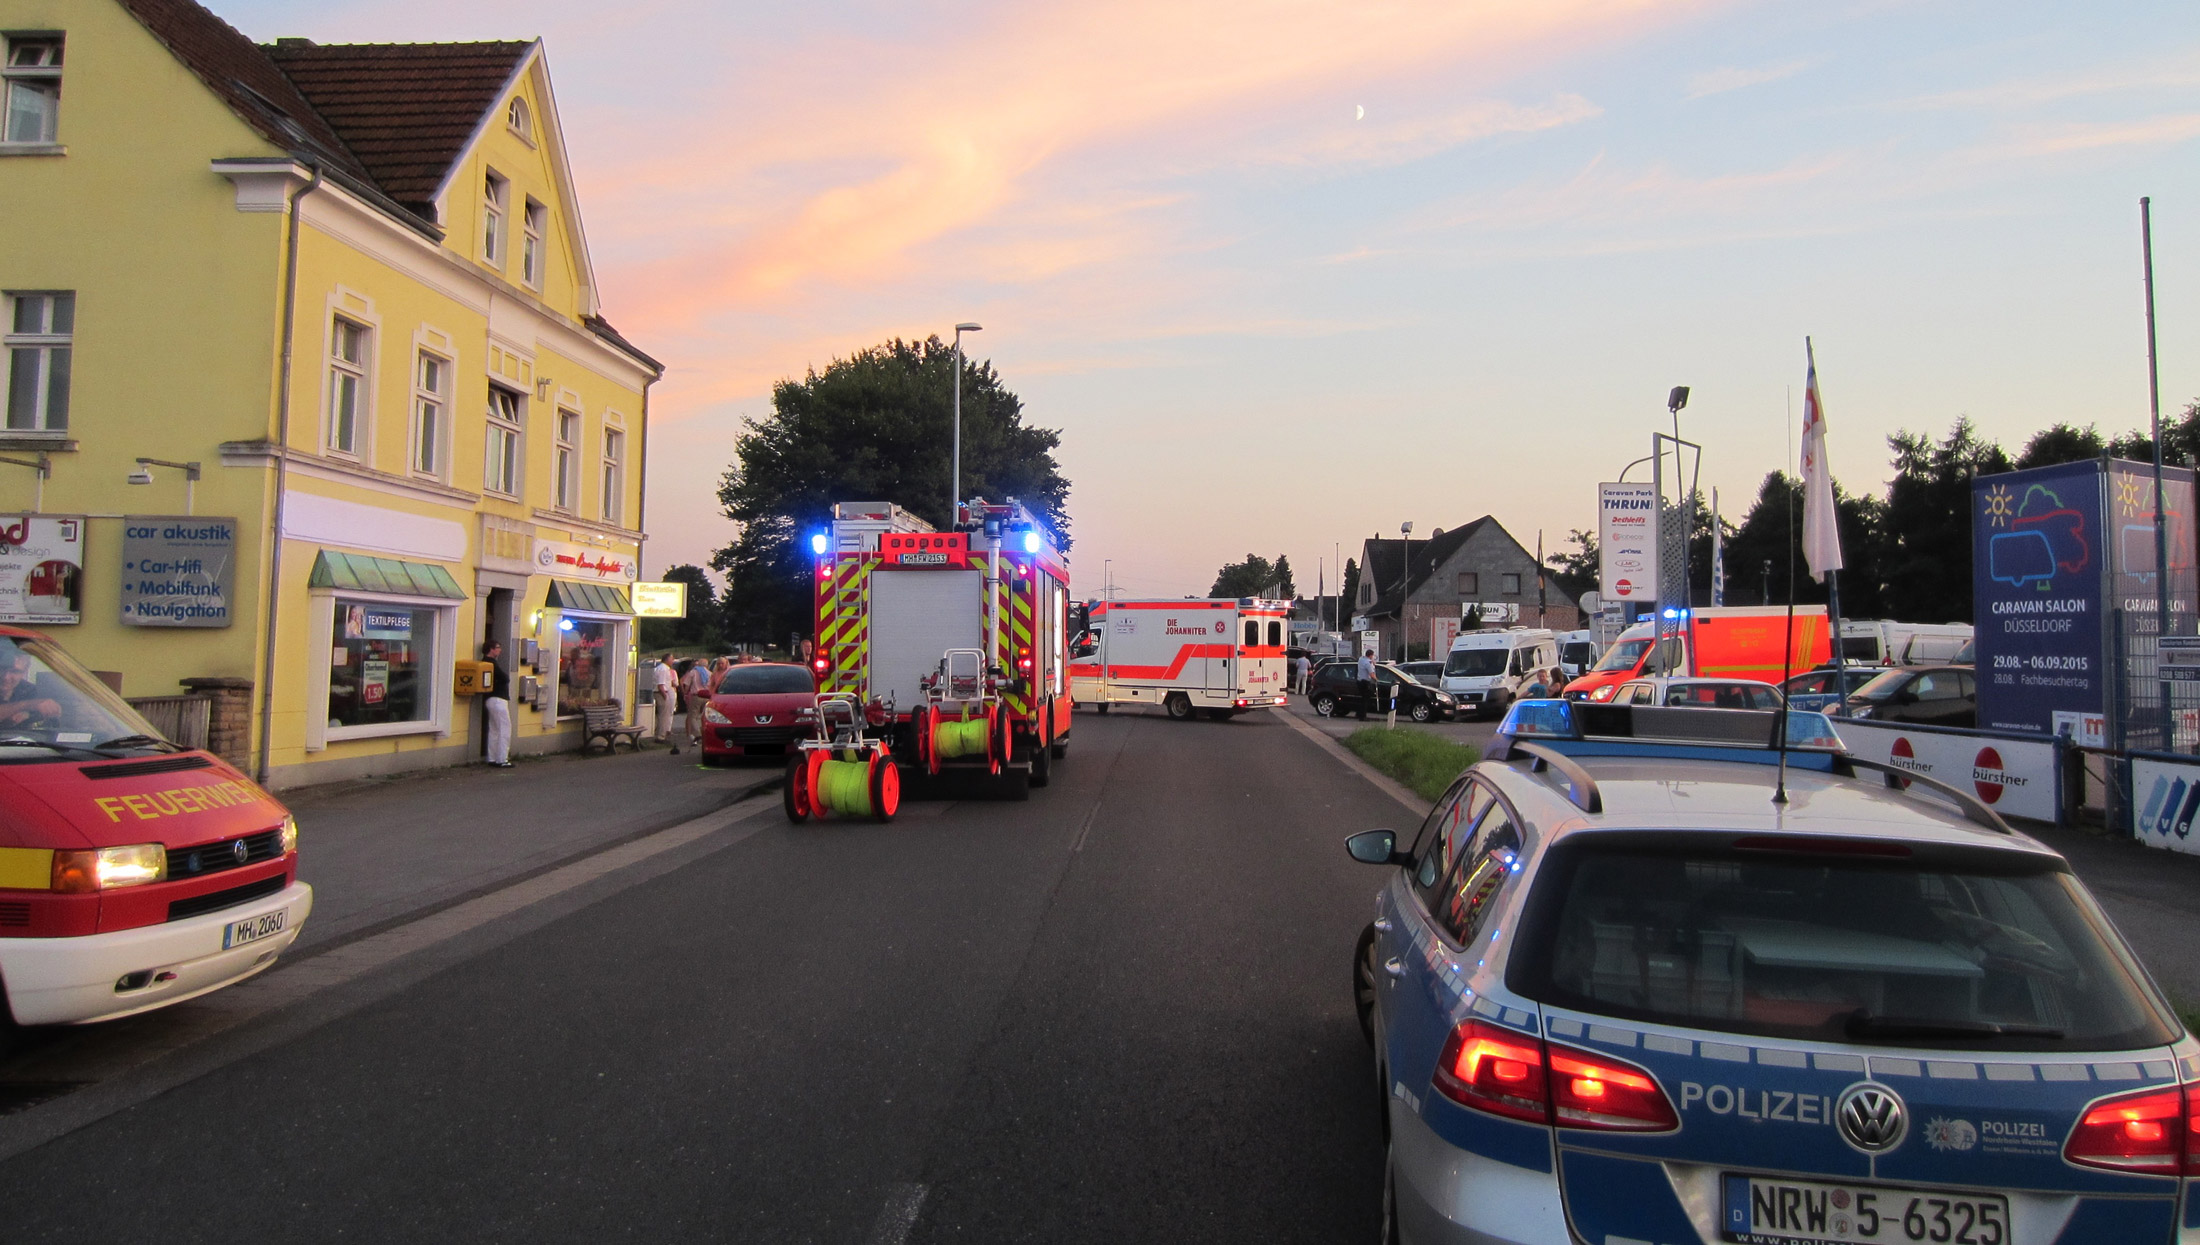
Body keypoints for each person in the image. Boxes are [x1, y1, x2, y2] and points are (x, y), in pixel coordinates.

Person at [0, 652, 60, 728]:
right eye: (2, 669)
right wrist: (27, 705)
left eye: (15, 671)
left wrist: (27, 715)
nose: (6, 677)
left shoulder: (29, 690)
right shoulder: (31, 701)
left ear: (25, 671)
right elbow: (31, 704)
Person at [482, 640, 512, 768]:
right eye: (498, 647)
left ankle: (492, 758)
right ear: (491, 649)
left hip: (489, 699)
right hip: (498, 699)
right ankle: (502, 759)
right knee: (505, 728)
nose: (500, 650)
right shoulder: (491, 663)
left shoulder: (484, 662)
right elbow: (505, 678)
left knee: (494, 729)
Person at [680, 657, 710, 751]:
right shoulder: (709, 673)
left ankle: (697, 734)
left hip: (696, 695)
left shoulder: (693, 672)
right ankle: (706, 734)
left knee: (692, 716)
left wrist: (685, 693)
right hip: (707, 696)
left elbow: (687, 685)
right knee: (704, 716)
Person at [652, 654, 679, 751]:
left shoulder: (659, 668)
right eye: (672, 659)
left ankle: (660, 734)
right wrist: (665, 695)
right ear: (667, 659)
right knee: (664, 715)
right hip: (662, 693)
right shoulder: (664, 669)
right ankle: (661, 736)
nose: (673, 660)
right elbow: (661, 684)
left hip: (660, 692)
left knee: (662, 715)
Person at [1355, 648, 1375, 721]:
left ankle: (1358, 713)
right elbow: (1372, 674)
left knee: (1362, 699)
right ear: (1370, 656)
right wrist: (1376, 679)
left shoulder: (1361, 659)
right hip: (1365, 683)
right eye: (1373, 656)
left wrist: (1372, 662)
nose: (1373, 657)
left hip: (1359, 681)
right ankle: (1363, 716)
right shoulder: (1368, 663)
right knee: (1365, 700)